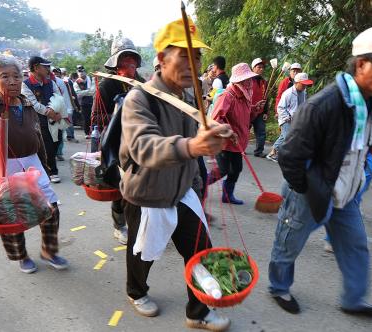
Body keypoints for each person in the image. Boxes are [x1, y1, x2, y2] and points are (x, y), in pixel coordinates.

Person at [268, 24, 372, 318]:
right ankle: (278, 287)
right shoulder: (324, 106)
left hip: (347, 192)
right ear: (362, 64)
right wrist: (310, 190)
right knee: (289, 242)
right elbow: (289, 155)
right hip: (310, 192)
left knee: (355, 246)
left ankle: (353, 300)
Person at [121, 17, 233, 331]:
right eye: (184, 55)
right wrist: (193, 146)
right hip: (146, 193)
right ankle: (136, 291)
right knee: (142, 251)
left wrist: (212, 139)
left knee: (200, 250)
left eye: (197, 57)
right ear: (161, 59)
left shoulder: (187, 99)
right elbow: (144, 147)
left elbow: (194, 150)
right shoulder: (139, 98)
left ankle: (197, 312)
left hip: (182, 191)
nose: (194, 64)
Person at [0, 54, 68, 274]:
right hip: (2, 165)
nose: (13, 81)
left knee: (50, 207)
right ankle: (20, 255)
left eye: (16, 76)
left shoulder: (25, 103)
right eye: (5, 76)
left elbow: (37, 137)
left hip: (31, 164)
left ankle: (49, 250)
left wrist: (44, 164)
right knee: (8, 213)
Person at [93, 36, 144, 245]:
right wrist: (119, 114)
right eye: (124, 59)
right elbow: (96, 117)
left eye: (132, 59)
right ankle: (119, 225)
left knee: (139, 185)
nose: (129, 63)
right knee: (120, 187)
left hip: (139, 141)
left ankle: (139, 223)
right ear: (116, 62)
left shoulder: (140, 82)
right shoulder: (106, 85)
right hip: (117, 143)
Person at [211, 63, 257, 205]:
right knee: (223, 170)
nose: (249, 82)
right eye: (246, 80)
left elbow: (246, 117)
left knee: (236, 169)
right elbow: (216, 118)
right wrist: (229, 131)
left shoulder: (244, 96)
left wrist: (255, 109)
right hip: (225, 142)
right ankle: (199, 187)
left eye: (249, 79)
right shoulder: (227, 95)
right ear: (238, 81)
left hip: (238, 142)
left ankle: (227, 195)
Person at [21, 56, 63, 183]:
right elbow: (34, 104)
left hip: (55, 118)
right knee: (47, 146)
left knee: (57, 142)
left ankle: (44, 167)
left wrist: (56, 112)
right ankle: (51, 171)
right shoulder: (26, 85)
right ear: (36, 67)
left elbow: (58, 96)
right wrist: (48, 112)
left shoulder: (50, 82)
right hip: (38, 121)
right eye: (45, 66)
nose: (48, 69)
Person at [267, 73, 313, 162]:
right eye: (303, 84)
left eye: (306, 85)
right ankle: (287, 157)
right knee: (289, 138)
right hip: (286, 120)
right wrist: (287, 117)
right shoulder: (288, 93)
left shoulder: (304, 92)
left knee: (284, 137)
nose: (305, 86)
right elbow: (280, 107)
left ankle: (272, 153)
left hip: (296, 119)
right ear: (297, 82)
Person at [249, 58, 268, 157]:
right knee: (244, 131)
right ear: (253, 68)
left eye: (262, 67)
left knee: (261, 132)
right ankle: (240, 149)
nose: (261, 69)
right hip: (248, 110)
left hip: (260, 111)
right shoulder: (247, 80)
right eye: (259, 67)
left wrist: (265, 112)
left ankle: (258, 151)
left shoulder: (264, 82)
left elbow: (266, 97)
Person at [73, 65, 95, 138]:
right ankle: (87, 133)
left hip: (93, 102)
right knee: (86, 119)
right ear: (77, 73)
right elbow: (78, 94)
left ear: (85, 72)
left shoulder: (91, 79)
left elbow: (93, 91)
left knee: (93, 118)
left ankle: (94, 132)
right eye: (79, 72)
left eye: (82, 71)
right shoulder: (76, 82)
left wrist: (84, 92)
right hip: (83, 103)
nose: (81, 73)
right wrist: (88, 91)